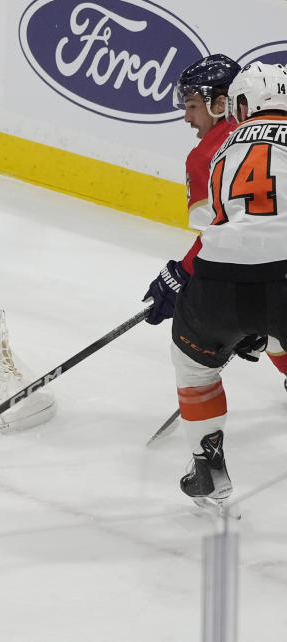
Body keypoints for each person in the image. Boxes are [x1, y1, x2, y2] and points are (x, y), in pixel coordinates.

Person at [165, 62, 287, 504]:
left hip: (219, 281)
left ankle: (207, 463)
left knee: (194, 365)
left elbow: (219, 222)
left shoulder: (221, 149)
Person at [143, 55, 287, 377]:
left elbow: (219, 231)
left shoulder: (208, 155)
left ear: (221, 104)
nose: (186, 117)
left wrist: (181, 273)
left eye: (192, 106)